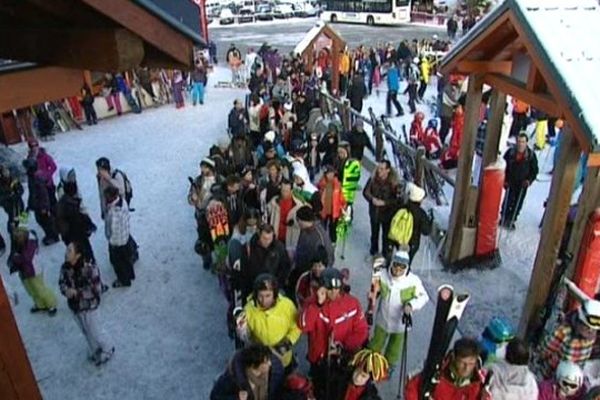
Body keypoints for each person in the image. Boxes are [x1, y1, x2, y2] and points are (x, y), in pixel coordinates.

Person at [299, 267, 369, 399]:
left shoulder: (352, 304)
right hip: (319, 359)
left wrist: (343, 348)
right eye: (330, 289)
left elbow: (361, 329)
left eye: (337, 289)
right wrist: (317, 305)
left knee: (338, 390)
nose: (334, 293)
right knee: (319, 389)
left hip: (344, 358)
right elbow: (304, 326)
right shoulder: (311, 303)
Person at [367, 250, 428, 374]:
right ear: (392, 264)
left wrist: (411, 305)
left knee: (394, 347)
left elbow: (424, 297)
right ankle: (371, 362)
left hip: (400, 323)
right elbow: (375, 290)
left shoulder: (413, 281)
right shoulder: (382, 275)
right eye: (396, 266)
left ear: (406, 267)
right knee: (376, 342)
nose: (398, 270)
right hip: (383, 318)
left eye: (402, 267)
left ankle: (388, 367)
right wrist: (373, 296)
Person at [59, 241, 114, 366]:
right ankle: (94, 348)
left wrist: (77, 293)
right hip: (75, 308)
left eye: (69, 251)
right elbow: (61, 282)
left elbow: (97, 290)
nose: (66, 253)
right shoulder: (65, 268)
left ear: (77, 255)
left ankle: (107, 347)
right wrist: (65, 290)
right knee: (85, 331)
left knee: (95, 330)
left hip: (90, 308)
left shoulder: (90, 268)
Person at [240, 274, 302, 371]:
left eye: (268, 295)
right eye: (260, 296)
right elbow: (247, 338)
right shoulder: (248, 310)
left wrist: (287, 343)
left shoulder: (287, 305)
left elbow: (296, 327)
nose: (264, 300)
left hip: (283, 359)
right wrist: (242, 331)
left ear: (275, 294)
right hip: (261, 362)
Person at [405, 337, 492, 400]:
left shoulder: (480, 384)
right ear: (454, 357)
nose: (466, 368)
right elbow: (412, 386)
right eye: (463, 363)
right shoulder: (436, 370)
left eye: (471, 363)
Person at [537, 301, 600, 379]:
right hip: (550, 373)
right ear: (580, 320)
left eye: (594, 329)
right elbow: (545, 350)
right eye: (587, 327)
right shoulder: (564, 331)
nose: (590, 331)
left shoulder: (593, 336)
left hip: (573, 375)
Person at [9, 227, 57, 315]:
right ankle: (40, 304)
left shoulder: (31, 241)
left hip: (34, 270)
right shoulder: (18, 240)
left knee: (40, 289)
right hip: (24, 271)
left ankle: (51, 303)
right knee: (31, 290)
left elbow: (27, 257)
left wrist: (16, 258)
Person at [210, 344, 285, 400]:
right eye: (265, 362)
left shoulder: (276, 371)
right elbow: (215, 396)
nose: (270, 364)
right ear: (253, 366)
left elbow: (280, 393)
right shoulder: (233, 377)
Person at [240, 224, 291, 302]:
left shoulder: (279, 247)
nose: (267, 241)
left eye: (270, 238)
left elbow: (285, 267)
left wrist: (277, 284)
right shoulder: (248, 248)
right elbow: (244, 271)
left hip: (273, 288)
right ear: (259, 235)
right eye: (264, 238)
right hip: (253, 288)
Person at [291, 206, 335, 292]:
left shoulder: (319, 237)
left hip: (312, 274)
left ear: (301, 220)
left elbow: (327, 259)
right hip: (301, 268)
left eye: (298, 220)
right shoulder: (305, 229)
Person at [501, 133, 539, 229]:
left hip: (522, 183)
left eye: (523, 142)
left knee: (518, 202)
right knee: (508, 200)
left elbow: (534, 170)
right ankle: (504, 217)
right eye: (519, 141)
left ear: (526, 143)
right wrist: (504, 180)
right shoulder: (510, 153)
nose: (520, 144)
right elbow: (503, 166)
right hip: (511, 181)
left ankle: (512, 219)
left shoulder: (530, 156)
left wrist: (529, 180)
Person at [363, 160, 400, 258]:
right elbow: (366, 192)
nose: (379, 170)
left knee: (386, 236)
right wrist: (372, 199)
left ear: (388, 170)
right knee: (374, 234)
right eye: (379, 168)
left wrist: (384, 203)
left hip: (387, 214)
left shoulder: (393, 183)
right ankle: (373, 251)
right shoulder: (373, 178)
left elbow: (396, 200)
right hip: (374, 212)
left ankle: (385, 255)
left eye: (382, 169)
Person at [390, 183, 432, 262]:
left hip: (398, 239)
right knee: (407, 261)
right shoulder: (421, 213)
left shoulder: (402, 207)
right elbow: (426, 231)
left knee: (398, 257)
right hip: (412, 243)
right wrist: (430, 221)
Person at [23, 158, 60, 245]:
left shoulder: (36, 178)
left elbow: (44, 194)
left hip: (41, 205)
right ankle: (51, 234)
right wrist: (31, 204)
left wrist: (44, 207)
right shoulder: (31, 178)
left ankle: (53, 236)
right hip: (37, 204)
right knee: (40, 220)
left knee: (45, 221)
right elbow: (32, 193)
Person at [104, 186, 135, 288]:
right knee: (126, 259)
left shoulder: (113, 212)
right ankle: (131, 274)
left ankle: (124, 281)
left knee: (118, 263)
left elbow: (111, 231)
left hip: (117, 243)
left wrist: (110, 240)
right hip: (125, 237)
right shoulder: (123, 202)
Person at [266, 180, 305, 257]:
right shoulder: (274, 201)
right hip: (276, 237)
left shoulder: (298, 205)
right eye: (282, 190)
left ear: (291, 191)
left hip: (290, 239)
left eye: (286, 191)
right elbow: (267, 213)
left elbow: (302, 223)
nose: (284, 193)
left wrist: (294, 223)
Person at [317, 165, 346, 245]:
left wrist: (343, 206)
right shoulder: (321, 183)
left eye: (331, 173)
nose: (330, 175)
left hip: (334, 211)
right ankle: (322, 241)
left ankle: (333, 242)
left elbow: (341, 197)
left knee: (333, 228)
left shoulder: (337, 185)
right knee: (323, 227)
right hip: (324, 210)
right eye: (328, 173)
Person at [336, 142, 361, 218]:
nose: (340, 154)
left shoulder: (351, 163)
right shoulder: (337, 161)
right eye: (339, 152)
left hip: (346, 191)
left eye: (342, 152)